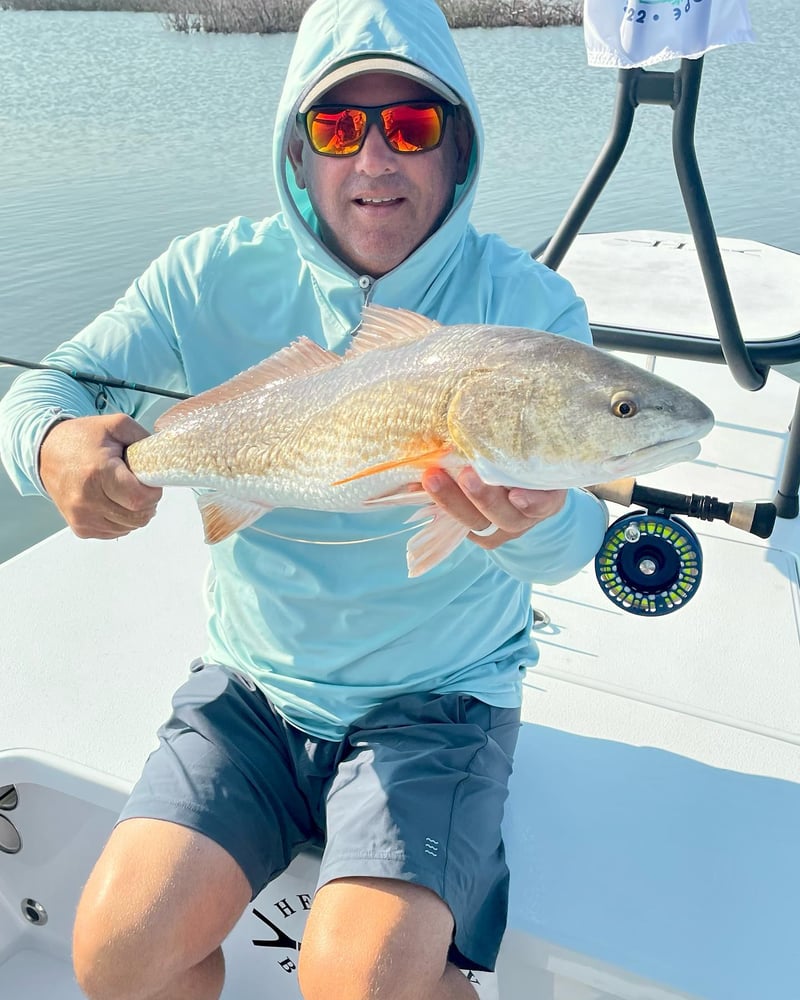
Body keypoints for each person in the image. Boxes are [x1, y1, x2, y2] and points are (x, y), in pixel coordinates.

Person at [0, 0, 608, 997]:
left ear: (456, 148)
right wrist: (54, 445)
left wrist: (535, 522)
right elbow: (43, 389)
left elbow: (576, 537)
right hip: (251, 688)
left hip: (437, 702)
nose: (374, 160)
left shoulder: (525, 310)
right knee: (115, 953)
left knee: (359, 981)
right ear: (296, 147)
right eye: (337, 127)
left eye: (410, 126)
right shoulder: (205, 273)